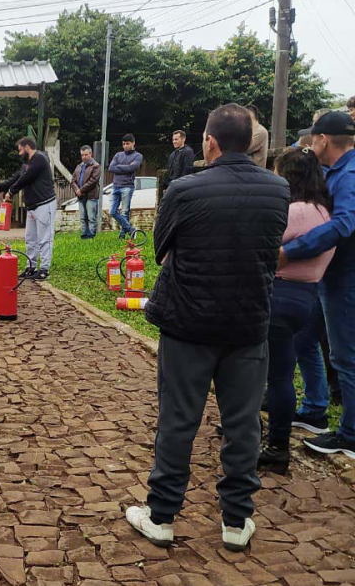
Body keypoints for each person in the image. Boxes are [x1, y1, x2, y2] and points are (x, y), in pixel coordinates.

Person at [126, 104, 289, 552]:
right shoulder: (279, 190)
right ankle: (236, 521)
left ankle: (161, 516)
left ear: (210, 142)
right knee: (243, 424)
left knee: (178, 421)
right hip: (248, 325)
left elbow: (160, 249)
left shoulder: (184, 189)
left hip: (187, 324)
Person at [280, 111, 355, 460]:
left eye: (312, 139)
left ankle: (350, 434)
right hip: (327, 276)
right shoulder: (335, 171)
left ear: (323, 139)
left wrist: (290, 252)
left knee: (345, 355)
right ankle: (314, 411)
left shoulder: (350, 174)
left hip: (345, 278)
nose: (309, 146)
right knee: (304, 339)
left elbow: (343, 225)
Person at [258, 148, 335, 475]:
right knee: (283, 374)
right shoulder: (323, 212)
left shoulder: (290, 211)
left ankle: (273, 444)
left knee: (267, 374)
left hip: (277, 295)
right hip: (305, 297)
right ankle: (278, 440)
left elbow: (260, 247)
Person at [0, 136, 57, 281]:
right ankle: (31, 267)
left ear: (27, 146)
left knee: (44, 238)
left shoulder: (40, 158)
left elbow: (26, 178)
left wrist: (11, 192)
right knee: (30, 238)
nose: (19, 153)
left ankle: (44, 269)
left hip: (44, 203)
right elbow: (15, 179)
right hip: (31, 206)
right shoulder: (26, 165)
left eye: (20, 150)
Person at [108, 134, 143, 239]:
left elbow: (133, 168)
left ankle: (123, 234)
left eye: (127, 143)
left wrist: (118, 167)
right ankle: (131, 229)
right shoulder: (118, 155)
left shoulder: (138, 156)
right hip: (115, 185)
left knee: (125, 211)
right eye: (123, 144)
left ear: (133, 143)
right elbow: (111, 168)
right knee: (112, 211)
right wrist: (127, 167)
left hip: (127, 186)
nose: (125, 146)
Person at [70, 145, 101, 239]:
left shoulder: (96, 166)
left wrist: (81, 190)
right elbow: (73, 181)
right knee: (83, 218)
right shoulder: (79, 166)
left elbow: (93, 181)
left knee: (91, 217)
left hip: (91, 195)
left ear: (91, 154)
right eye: (82, 155)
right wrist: (77, 190)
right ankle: (84, 235)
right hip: (81, 196)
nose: (84, 157)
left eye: (86, 154)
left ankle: (91, 235)